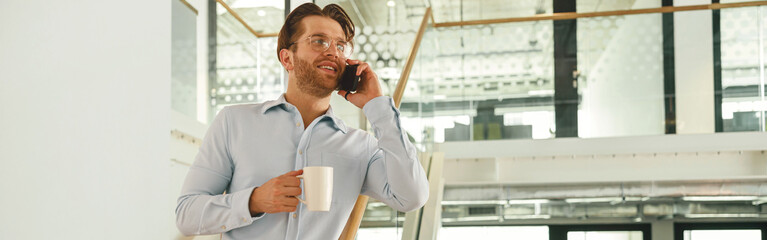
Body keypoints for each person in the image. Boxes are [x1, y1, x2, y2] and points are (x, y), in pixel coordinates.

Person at [175, 3, 429, 240]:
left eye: (341, 46)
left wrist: (378, 106)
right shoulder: (234, 122)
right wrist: (253, 201)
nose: (333, 51)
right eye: (319, 41)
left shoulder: (361, 146)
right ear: (287, 59)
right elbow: (186, 214)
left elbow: (412, 197)